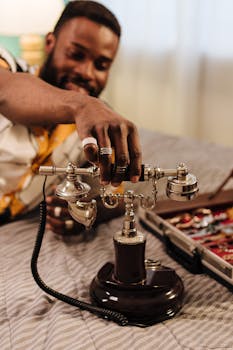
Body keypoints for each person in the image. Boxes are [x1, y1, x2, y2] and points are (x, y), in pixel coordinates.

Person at [0, 1, 142, 234]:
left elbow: (117, 196)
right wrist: (81, 105)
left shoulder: (92, 129)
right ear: (50, 43)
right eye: (76, 54)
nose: (86, 73)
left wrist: (89, 211)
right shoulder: (9, 67)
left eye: (101, 65)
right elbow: (5, 91)